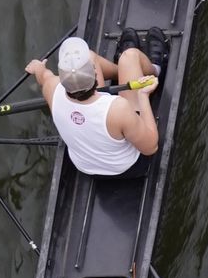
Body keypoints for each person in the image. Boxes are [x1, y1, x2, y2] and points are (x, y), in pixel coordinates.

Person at [26, 31, 164, 174]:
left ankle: (121, 71)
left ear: (61, 77)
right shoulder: (118, 108)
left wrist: (37, 67)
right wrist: (143, 95)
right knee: (130, 56)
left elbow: (43, 75)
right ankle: (153, 69)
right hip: (129, 168)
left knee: (90, 55)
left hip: (86, 169)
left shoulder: (51, 88)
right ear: (95, 73)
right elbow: (150, 148)